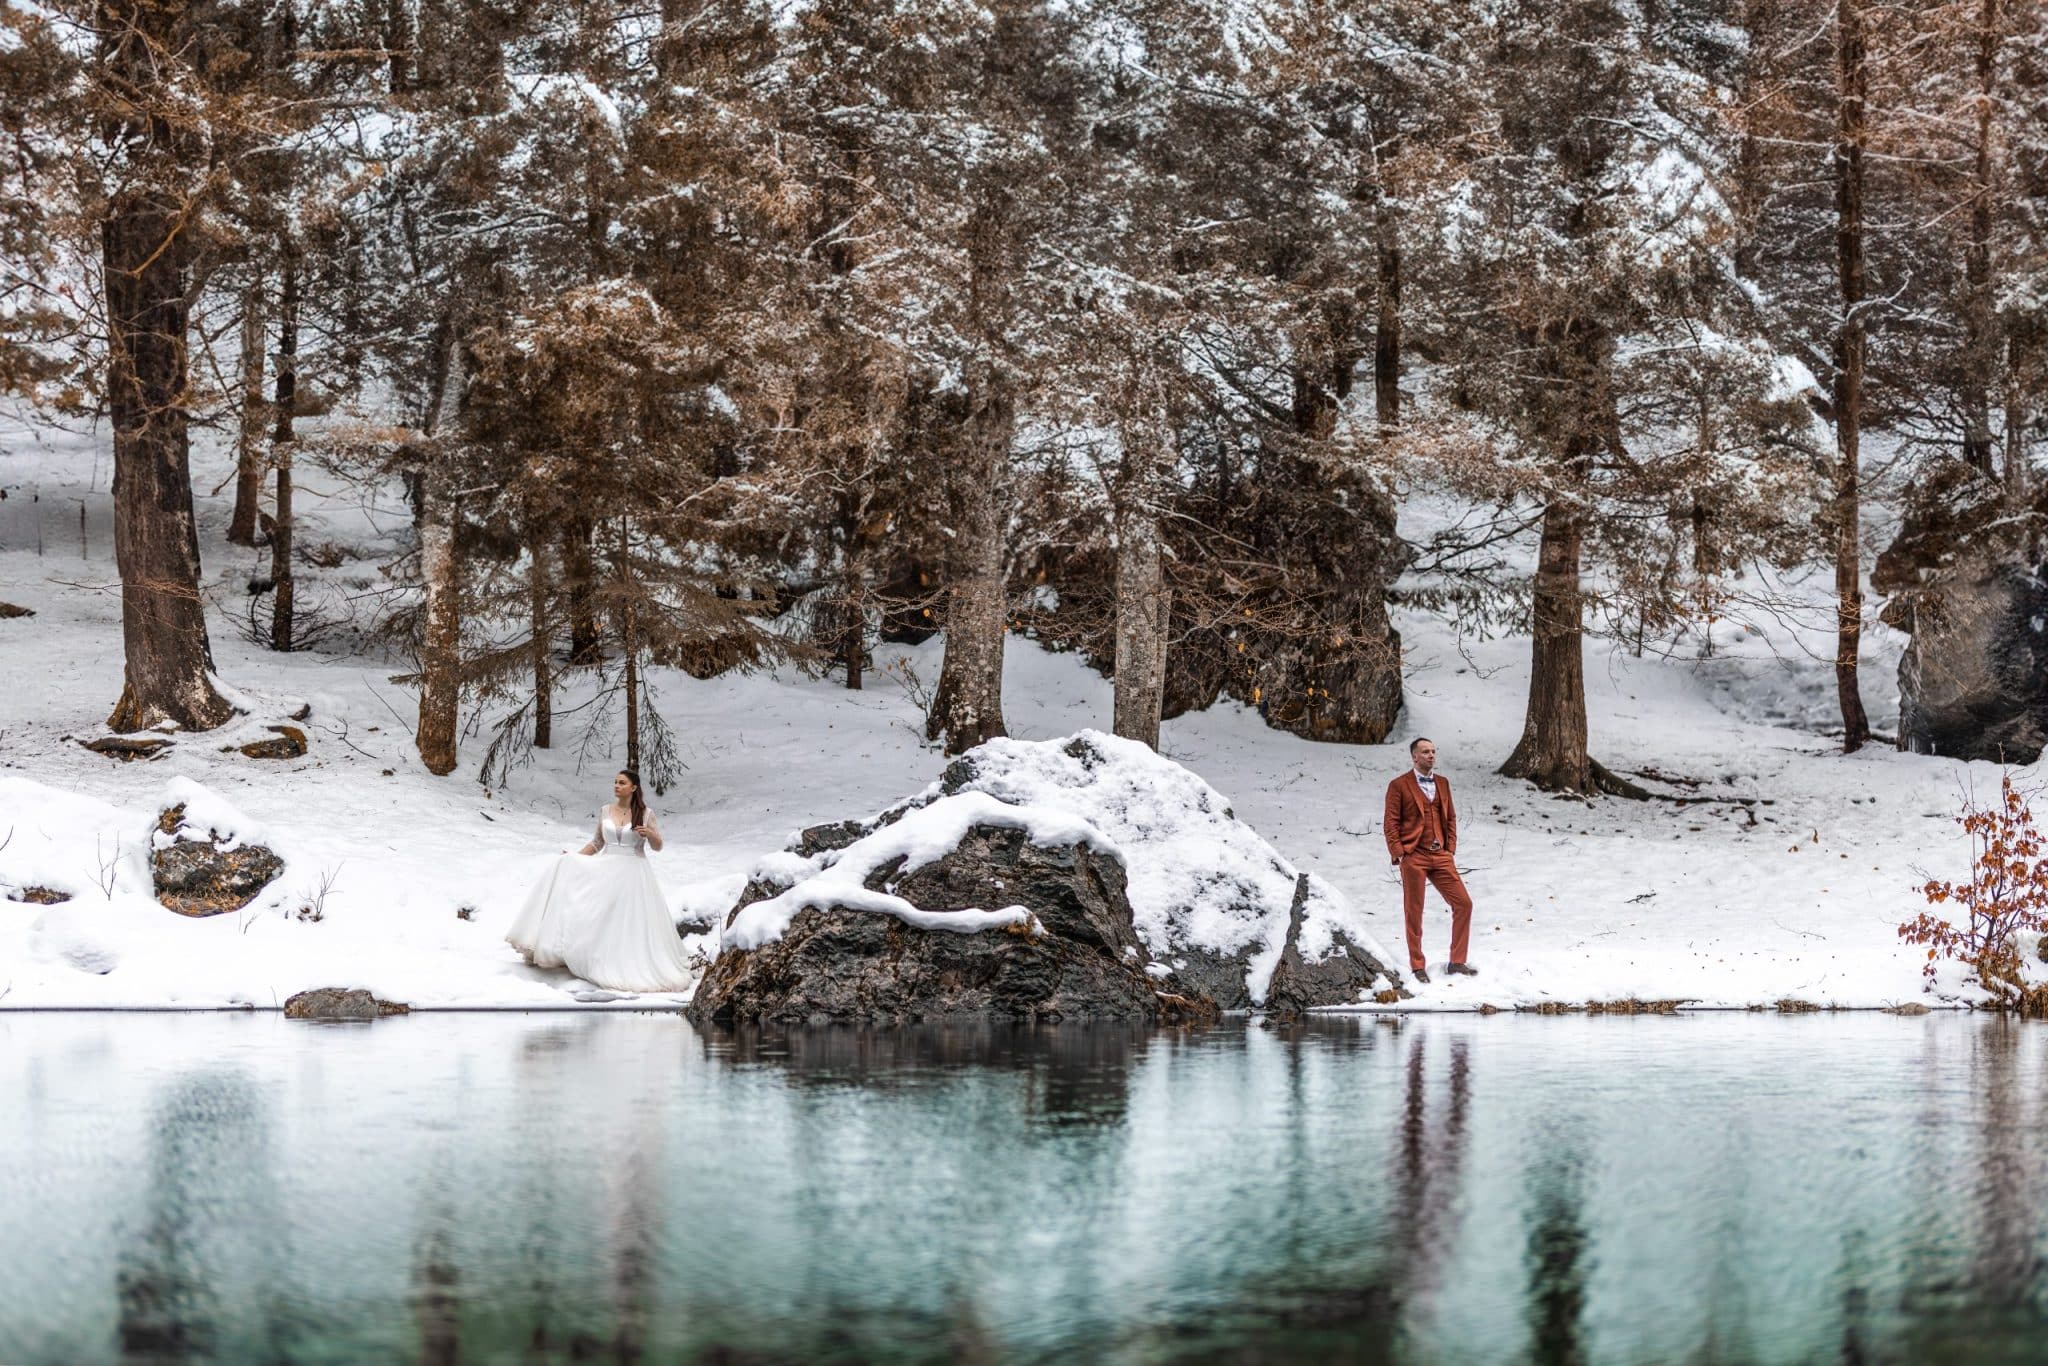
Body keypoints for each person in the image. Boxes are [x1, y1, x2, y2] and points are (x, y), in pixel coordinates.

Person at [506, 769, 694, 993]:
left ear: (633, 787)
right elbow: (597, 842)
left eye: (622, 783)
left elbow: (658, 847)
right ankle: (588, 956)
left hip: (632, 871)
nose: (616, 786)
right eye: (615, 782)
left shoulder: (646, 813)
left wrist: (650, 834)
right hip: (606, 869)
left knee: (627, 920)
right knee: (599, 917)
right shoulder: (606, 810)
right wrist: (575, 858)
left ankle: (625, 961)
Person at [1382, 737, 1476, 985]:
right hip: (1414, 855)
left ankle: (1457, 962)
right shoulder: (1399, 785)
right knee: (1414, 911)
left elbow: (1451, 818)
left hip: (1441, 855)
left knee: (1464, 904)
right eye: (1425, 752)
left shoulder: (1443, 783)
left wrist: (1450, 847)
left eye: (1433, 751)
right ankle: (1417, 965)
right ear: (1414, 756)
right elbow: (1390, 822)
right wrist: (1399, 852)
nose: (1431, 755)